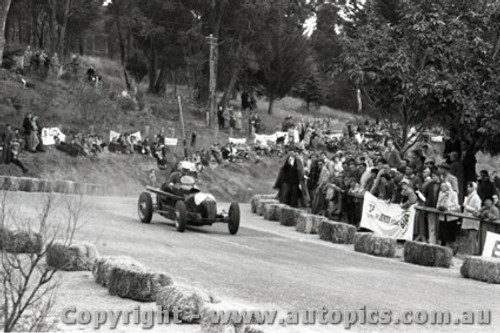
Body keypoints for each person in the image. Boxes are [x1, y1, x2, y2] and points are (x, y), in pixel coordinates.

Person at [437, 182, 460, 253]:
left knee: (449, 237)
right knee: (442, 236)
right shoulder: (441, 193)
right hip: (442, 217)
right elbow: (438, 203)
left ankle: (454, 248)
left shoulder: (454, 194)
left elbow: (456, 206)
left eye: (444, 187)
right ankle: (442, 250)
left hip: (451, 218)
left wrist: (448, 208)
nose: (442, 188)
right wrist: (440, 207)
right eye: (441, 187)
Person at [462, 182, 482, 255]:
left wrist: (467, 207)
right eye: (467, 187)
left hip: (473, 221)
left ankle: (473, 254)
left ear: (473, 188)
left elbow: (477, 209)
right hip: (468, 220)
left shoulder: (476, 198)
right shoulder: (469, 196)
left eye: (469, 187)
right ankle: (471, 253)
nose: (468, 189)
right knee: (469, 239)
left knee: (472, 239)